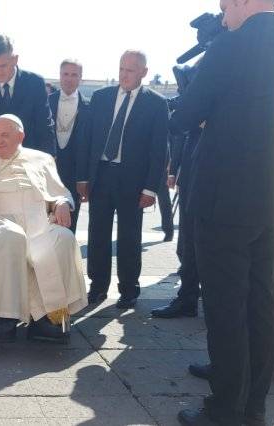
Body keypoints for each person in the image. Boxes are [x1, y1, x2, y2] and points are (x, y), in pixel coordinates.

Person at [169, 1, 274, 424]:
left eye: (225, 7)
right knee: (261, 304)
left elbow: (185, 115)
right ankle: (254, 406)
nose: (222, 17)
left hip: (223, 202)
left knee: (225, 308)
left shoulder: (228, 48)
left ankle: (223, 408)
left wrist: (209, 118)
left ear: (242, 2)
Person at [0, 114, 88, 342]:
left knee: (64, 238)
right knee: (12, 238)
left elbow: (61, 194)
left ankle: (48, 318)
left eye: (5, 135)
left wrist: (63, 203)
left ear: (21, 136)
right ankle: (4, 318)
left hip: (40, 222)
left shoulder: (42, 159)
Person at [78, 50, 168, 309]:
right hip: (102, 175)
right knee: (98, 234)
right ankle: (97, 287)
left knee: (130, 237)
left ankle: (129, 289)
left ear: (143, 72)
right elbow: (87, 139)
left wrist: (151, 189)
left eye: (130, 70)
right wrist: (83, 177)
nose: (124, 75)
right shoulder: (101, 97)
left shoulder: (156, 104)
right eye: (121, 69)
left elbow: (158, 150)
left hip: (134, 181)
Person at [151, 129, 203, 319]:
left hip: (203, 169)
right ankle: (192, 296)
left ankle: (189, 299)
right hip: (200, 169)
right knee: (189, 242)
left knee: (191, 240)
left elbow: (181, 121)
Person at [48, 58, 91, 230]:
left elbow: (90, 146)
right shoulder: (46, 102)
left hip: (75, 176)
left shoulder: (90, 107)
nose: (69, 78)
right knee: (44, 222)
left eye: (74, 75)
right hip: (48, 173)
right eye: (65, 74)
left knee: (68, 225)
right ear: (60, 75)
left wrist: (84, 179)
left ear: (80, 78)